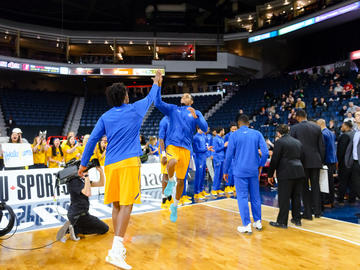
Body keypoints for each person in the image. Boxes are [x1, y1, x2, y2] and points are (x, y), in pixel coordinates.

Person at [78, 70, 162, 269]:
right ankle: (116, 251)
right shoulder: (135, 109)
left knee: (116, 205)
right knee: (127, 205)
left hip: (111, 164)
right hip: (128, 163)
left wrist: (83, 164)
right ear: (125, 96)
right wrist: (157, 81)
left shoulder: (105, 117)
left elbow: (91, 141)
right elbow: (151, 97)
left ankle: (118, 246)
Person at [155, 90, 208, 223]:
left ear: (191, 101)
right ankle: (169, 184)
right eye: (183, 96)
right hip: (172, 145)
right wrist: (158, 85)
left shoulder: (196, 112)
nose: (184, 96)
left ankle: (175, 205)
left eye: (188, 96)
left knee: (181, 181)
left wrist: (196, 117)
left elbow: (205, 128)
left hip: (186, 149)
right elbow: (157, 102)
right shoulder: (173, 110)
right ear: (181, 100)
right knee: (171, 163)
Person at [223, 114, 269, 234]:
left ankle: (246, 225)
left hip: (239, 171)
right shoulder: (257, 133)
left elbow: (228, 156)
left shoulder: (234, 135)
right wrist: (260, 165)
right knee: (255, 197)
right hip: (253, 170)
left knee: (242, 197)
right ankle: (258, 222)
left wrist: (225, 170)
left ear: (238, 124)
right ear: (248, 123)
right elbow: (265, 153)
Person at [57, 166, 109, 241]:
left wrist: (101, 172)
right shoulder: (74, 181)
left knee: (97, 224)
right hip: (79, 215)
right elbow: (87, 193)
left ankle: (73, 226)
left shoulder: (81, 180)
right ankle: (75, 229)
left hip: (80, 214)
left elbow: (101, 184)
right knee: (104, 229)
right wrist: (87, 176)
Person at [290, 109, 325, 220]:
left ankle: (308, 213)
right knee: (315, 186)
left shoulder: (295, 128)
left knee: (304, 187)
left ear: (298, 117)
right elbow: (322, 147)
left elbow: (292, 146)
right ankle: (318, 212)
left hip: (302, 161)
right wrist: (321, 161)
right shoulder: (317, 127)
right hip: (316, 160)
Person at [268, 124, 304, 228]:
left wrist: (270, 174)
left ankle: (282, 222)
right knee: (296, 197)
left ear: (278, 133)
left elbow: (275, 159)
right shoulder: (298, 142)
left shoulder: (279, 142)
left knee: (284, 198)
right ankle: (297, 219)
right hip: (299, 171)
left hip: (286, 172)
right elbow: (302, 157)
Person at [316, 119, 337, 208]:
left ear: (320, 124)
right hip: (332, 159)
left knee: (325, 183)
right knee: (330, 182)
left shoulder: (323, 134)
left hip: (327, 161)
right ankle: (331, 200)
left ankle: (327, 201)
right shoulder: (331, 133)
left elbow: (322, 149)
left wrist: (321, 161)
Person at [193, 127, 214, 200]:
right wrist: (206, 149)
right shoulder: (195, 137)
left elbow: (206, 146)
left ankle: (201, 190)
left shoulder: (204, 136)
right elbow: (196, 149)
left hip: (204, 157)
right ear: (198, 128)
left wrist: (208, 149)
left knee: (203, 175)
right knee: (198, 175)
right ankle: (196, 192)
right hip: (198, 158)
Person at [337, 121, 355, 204]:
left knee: (343, 182)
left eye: (343, 126)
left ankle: (340, 199)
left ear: (347, 126)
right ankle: (352, 199)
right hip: (354, 162)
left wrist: (339, 162)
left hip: (345, 162)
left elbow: (341, 151)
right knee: (352, 182)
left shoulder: (345, 135)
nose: (341, 127)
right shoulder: (355, 134)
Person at [345, 111, 360, 200]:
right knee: (356, 186)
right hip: (355, 163)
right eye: (356, 115)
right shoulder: (354, 132)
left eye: (359, 115)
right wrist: (347, 161)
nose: (357, 117)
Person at [158, 116, 173, 209]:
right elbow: (161, 139)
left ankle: (168, 195)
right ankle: (164, 197)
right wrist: (163, 154)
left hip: (172, 150)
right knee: (165, 174)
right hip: (166, 151)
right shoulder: (164, 121)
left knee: (170, 174)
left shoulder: (174, 120)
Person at [211, 127, 226, 196]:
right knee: (217, 174)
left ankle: (218, 188)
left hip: (222, 158)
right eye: (223, 130)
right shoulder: (215, 139)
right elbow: (216, 149)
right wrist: (224, 146)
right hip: (217, 158)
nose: (224, 132)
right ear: (221, 131)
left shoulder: (221, 139)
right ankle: (214, 189)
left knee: (220, 175)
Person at [224, 122, 237, 194]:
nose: (234, 127)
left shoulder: (237, 135)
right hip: (229, 155)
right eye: (233, 126)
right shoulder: (227, 136)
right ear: (230, 128)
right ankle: (227, 186)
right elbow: (224, 145)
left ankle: (233, 185)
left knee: (234, 171)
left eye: (235, 126)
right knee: (229, 171)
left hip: (235, 156)